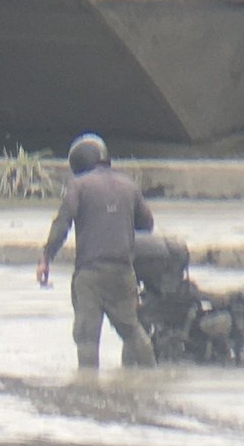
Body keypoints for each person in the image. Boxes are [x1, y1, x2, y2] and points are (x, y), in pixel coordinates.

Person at [37, 133, 157, 369]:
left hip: (90, 275)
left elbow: (62, 224)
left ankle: (88, 391)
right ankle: (151, 376)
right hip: (123, 273)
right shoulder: (128, 185)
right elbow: (146, 224)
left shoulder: (79, 186)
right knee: (131, 329)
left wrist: (45, 258)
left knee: (87, 338)